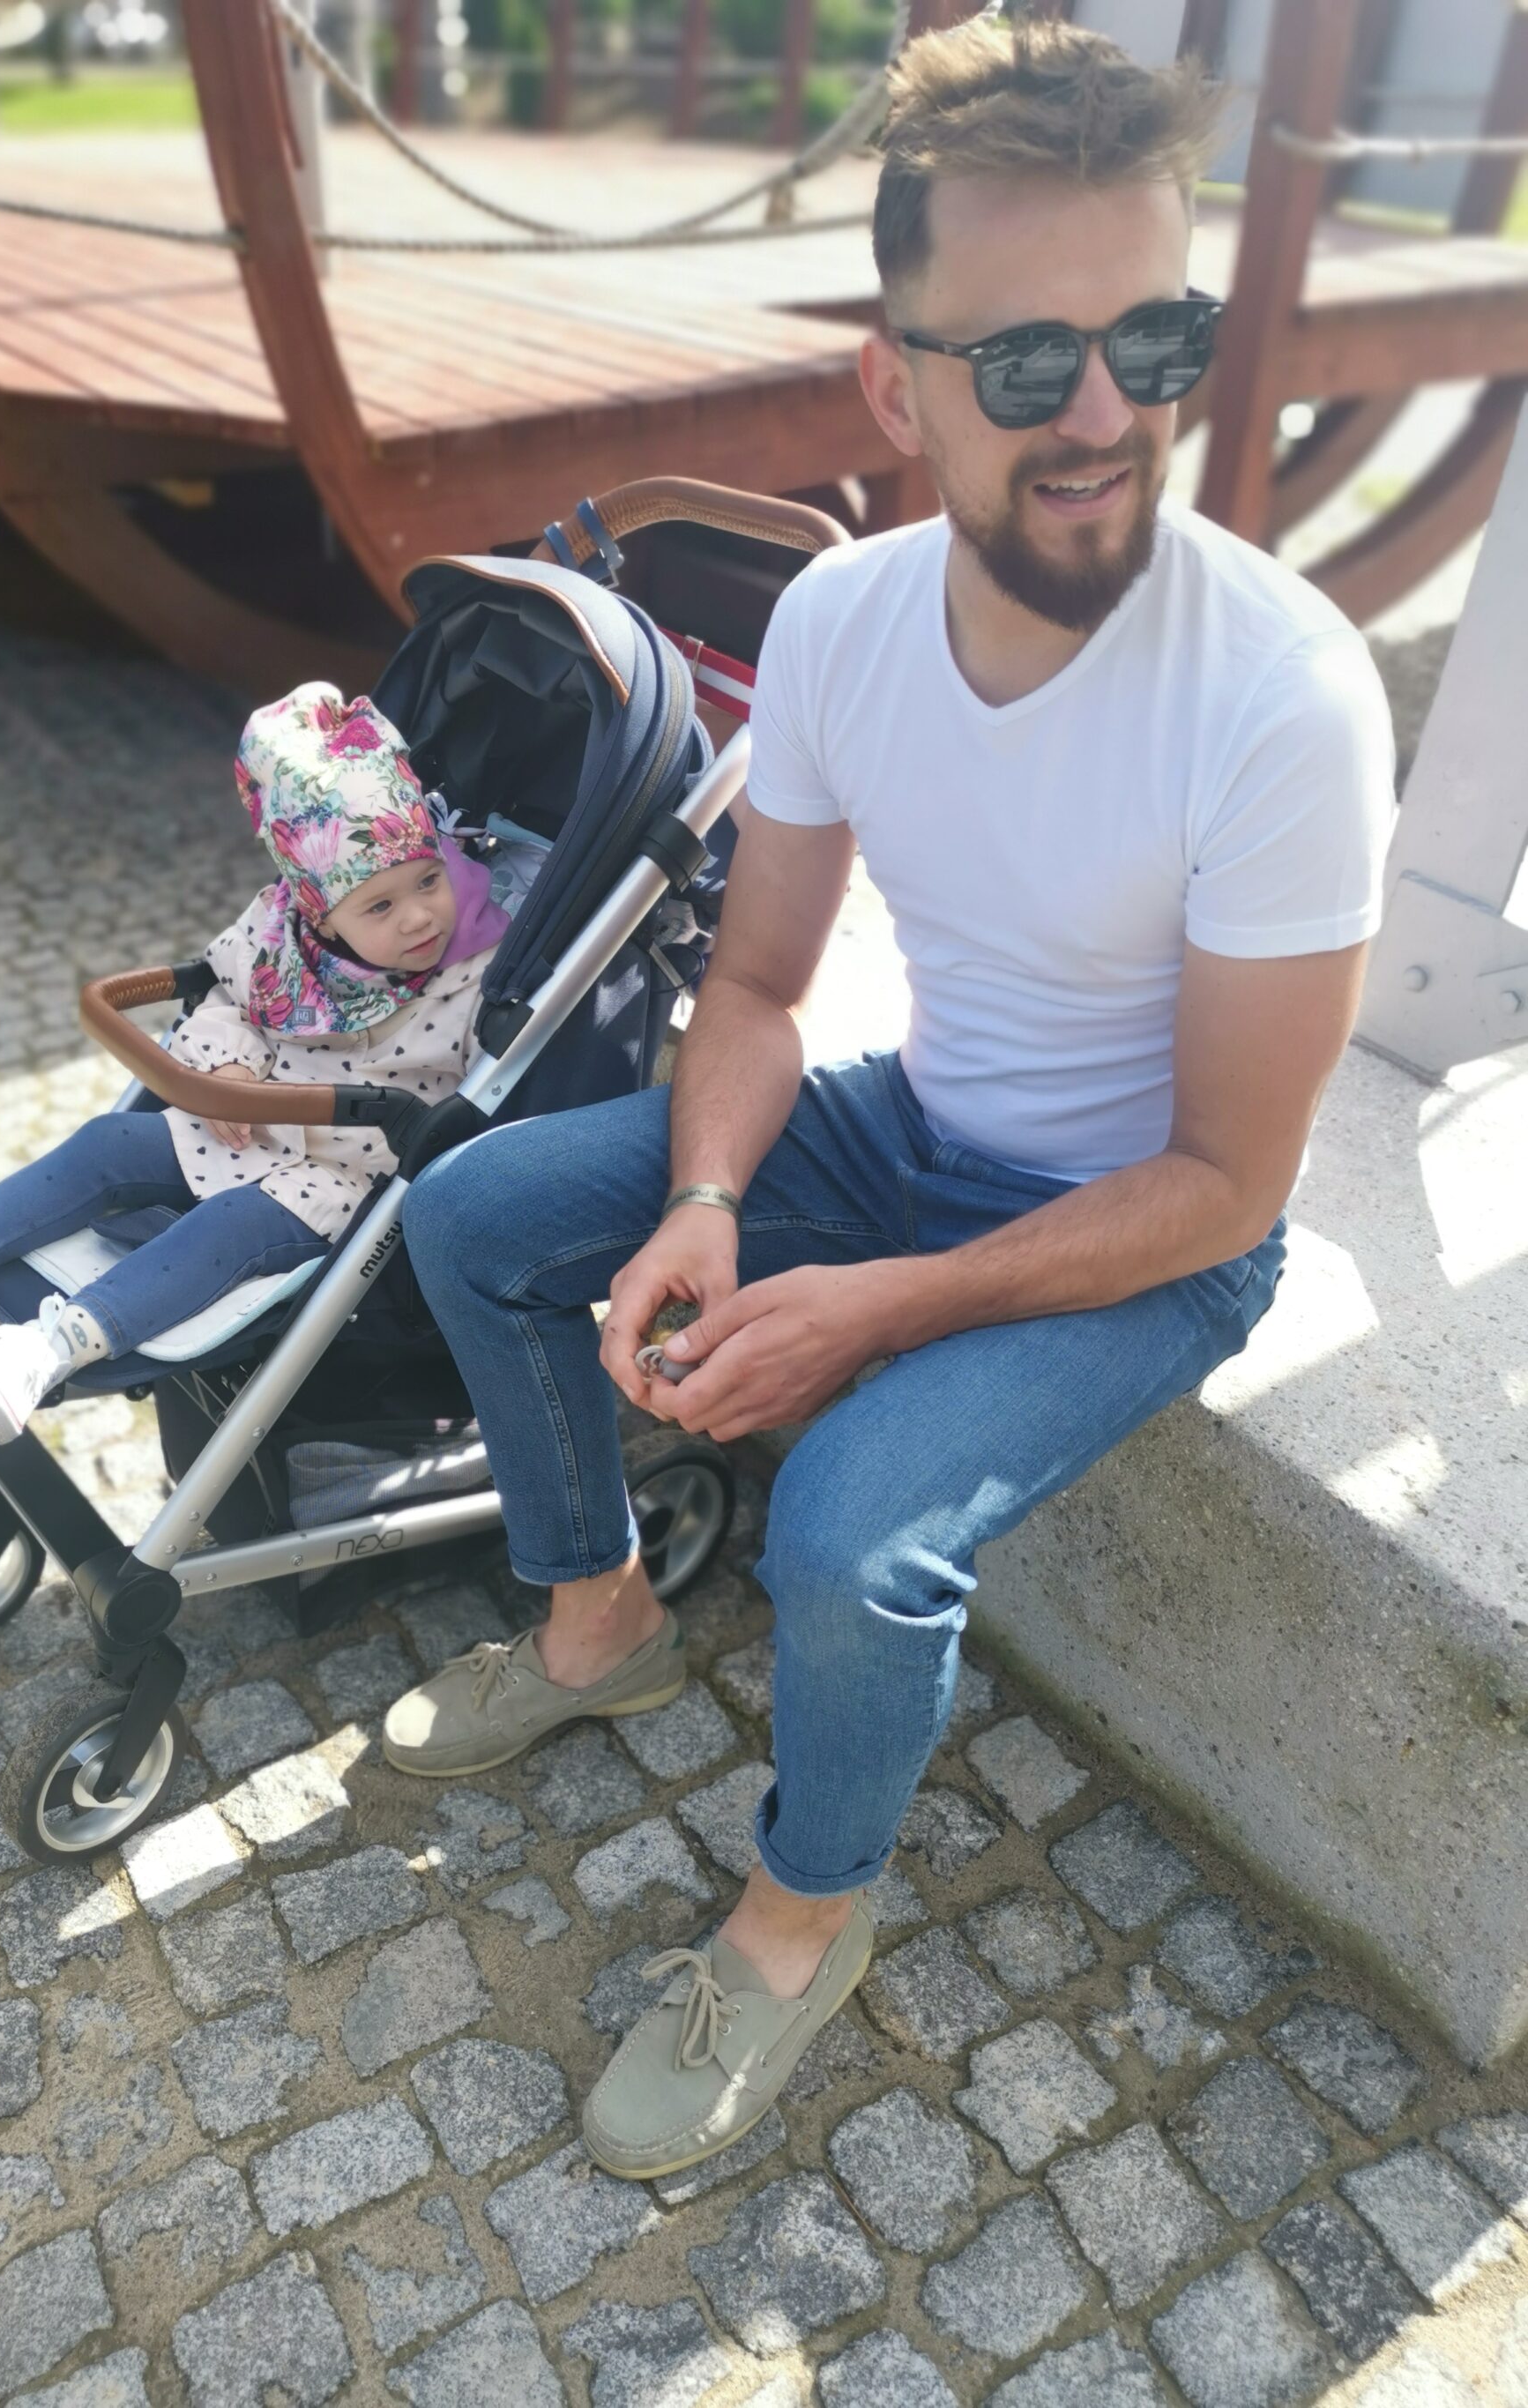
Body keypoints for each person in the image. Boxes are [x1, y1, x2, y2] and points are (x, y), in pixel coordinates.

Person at [383, 15, 1397, 2182]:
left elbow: (1231, 1183)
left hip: (1148, 1227)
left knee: (848, 1527)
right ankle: (598, 1618)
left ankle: (801, 1913)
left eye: (1153, 337)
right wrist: (710, 1199)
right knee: (473, 1214)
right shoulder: (843, 621)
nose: (1101, 414)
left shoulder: (1282, 698)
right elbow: (754, 986)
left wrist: (876, 1311)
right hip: (903, 1127)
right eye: (1023, 362)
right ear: (892, 385)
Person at [0, 685, 509, 1443]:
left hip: (335, 1182)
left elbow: (486, 1101)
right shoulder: (286, 940)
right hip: (242, 1123)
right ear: (320, 915)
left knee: (224, 1228)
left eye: (428, 880)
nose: (419, 915)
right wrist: (229, 1069)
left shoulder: (480, 973)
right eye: (380, 906)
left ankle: (50, 1348)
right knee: (110, 1141)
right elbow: (226, 998)